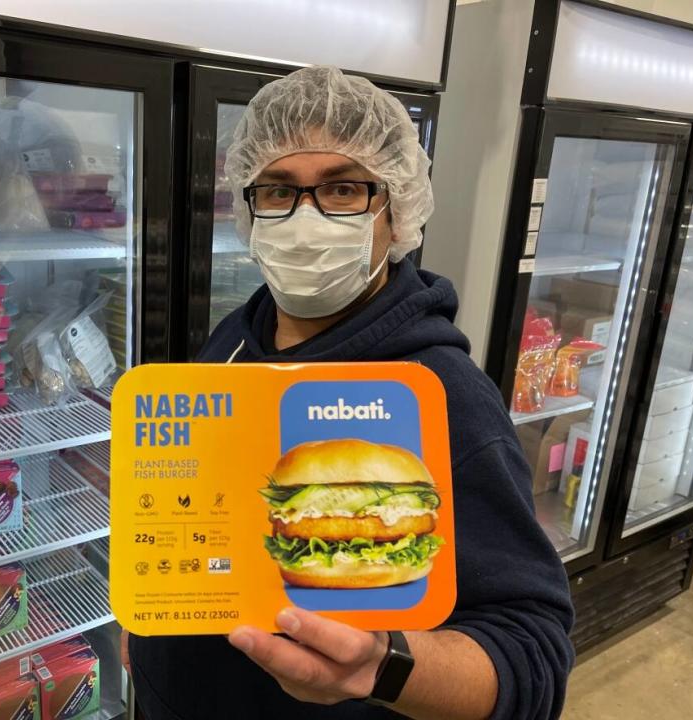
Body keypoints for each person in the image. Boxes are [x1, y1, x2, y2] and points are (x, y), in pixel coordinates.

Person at [127, 65, 574, 720]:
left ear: (399, 215)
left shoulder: (442, 399)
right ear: (247, 211)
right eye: (278, 191)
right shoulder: (237, 333)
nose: (305, 219)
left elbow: (533, 659)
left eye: (342, 189)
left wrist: (384, 665)